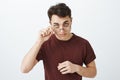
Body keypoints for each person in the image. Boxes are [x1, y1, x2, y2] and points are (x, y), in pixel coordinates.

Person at [21, 3, 97, 80]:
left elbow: (93, 72)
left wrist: (77, 68)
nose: (61, 29)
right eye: (56, 25)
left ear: (71, 21)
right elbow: (24, 69)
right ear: (50, 24)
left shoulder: (83, 44)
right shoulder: (45, 43)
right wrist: (39, 42)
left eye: (65, 24)